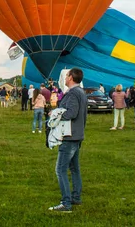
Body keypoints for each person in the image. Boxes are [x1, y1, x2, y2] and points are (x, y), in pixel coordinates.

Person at [48, 67, 87, 212]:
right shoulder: (81, 93)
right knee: (74, 169)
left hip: (69, 136)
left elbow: (71, 113)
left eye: (66, 76)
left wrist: (56, 113)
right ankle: (76, 197)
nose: (64, 78)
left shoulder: (72, 93)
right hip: (78, 135)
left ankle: (66, 203)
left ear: (70, 77)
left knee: (60, 169)